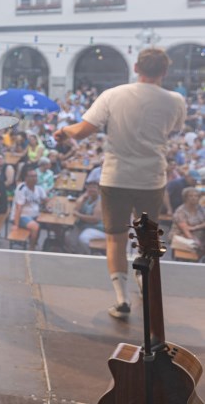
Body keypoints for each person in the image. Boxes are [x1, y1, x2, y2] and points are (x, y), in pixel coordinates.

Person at [54, 48, 186, 320]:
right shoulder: (175, 100)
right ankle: (144, 282)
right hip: (151, 178)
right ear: (164, 72)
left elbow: (83, 131)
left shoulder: (112, 95)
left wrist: (64, 132)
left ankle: (121, 299)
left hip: (116, 177)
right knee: (146, 236)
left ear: (136, 68)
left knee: (115, 238)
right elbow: (174, 129)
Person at [64, 179, 106, 255]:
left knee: (83, 239)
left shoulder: (100, 201)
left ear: (99, 190)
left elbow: (95, 219)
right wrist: (83, 197)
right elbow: (76, 208)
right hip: (85, 226)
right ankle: (76, 254)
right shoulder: (87, 198)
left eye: (94, 187)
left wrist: (79, 215)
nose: (91, 189)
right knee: (69, 239)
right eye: (89, 187)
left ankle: (88, 254)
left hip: (99, 228)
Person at [13, 168, 48, 250]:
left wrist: (46, 204)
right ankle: (31, 248)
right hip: (23, 216)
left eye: (35, 176)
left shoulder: (39, 188)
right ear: (26, 178)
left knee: (52, 224)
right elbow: (18, 207)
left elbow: (45, 200)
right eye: (31, 176)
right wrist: (15, 225)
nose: (34, 178)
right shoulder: (22, 188)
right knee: (35, 227)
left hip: (36, 214)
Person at [169, 187, 205, 257]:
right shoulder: (180, 211)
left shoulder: (201, 209)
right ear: (185, 198)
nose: (194, 198)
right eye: (191, 196)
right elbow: (185, 230)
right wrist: (196, 242)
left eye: (196, 196)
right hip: (183, 237)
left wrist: (195, 227)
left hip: (198, 236)